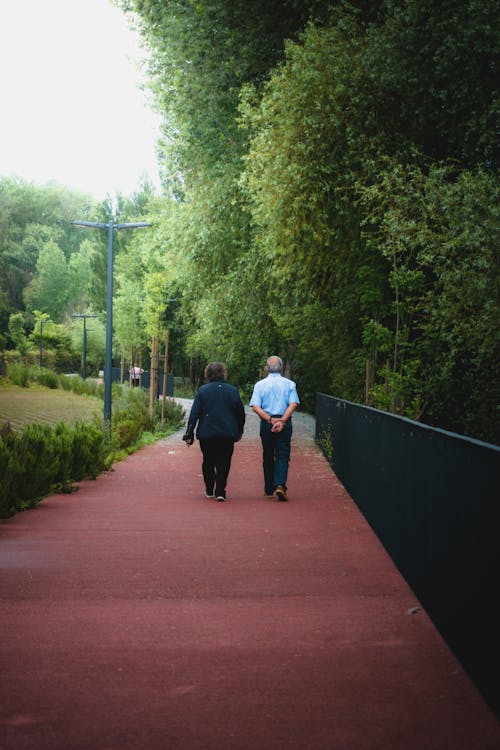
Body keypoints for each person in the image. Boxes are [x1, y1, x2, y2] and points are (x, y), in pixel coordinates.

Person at [182, 362, 245, 502]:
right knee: (224, 461)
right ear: (223, 373)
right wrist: (239, 430)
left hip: (207, 433)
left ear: (207, 374)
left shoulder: (203, 391)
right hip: (227, 433)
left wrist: (189, 434)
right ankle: (221, 491)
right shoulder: (232, 390)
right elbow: (240, 413)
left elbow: (194, 414)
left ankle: (209, 489)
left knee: (208, 461)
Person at [249, 355, 300, 502]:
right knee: (283, 454)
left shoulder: (259, 385)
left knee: (268, 454)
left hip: (267, 423)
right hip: (285, 422)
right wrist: (282, 420)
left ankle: (268, 488)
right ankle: (280, 485)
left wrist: (270, 420)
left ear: (266, 369)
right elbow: (294, 404)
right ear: (281, 368)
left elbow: (255, 406)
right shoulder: (290, 384)